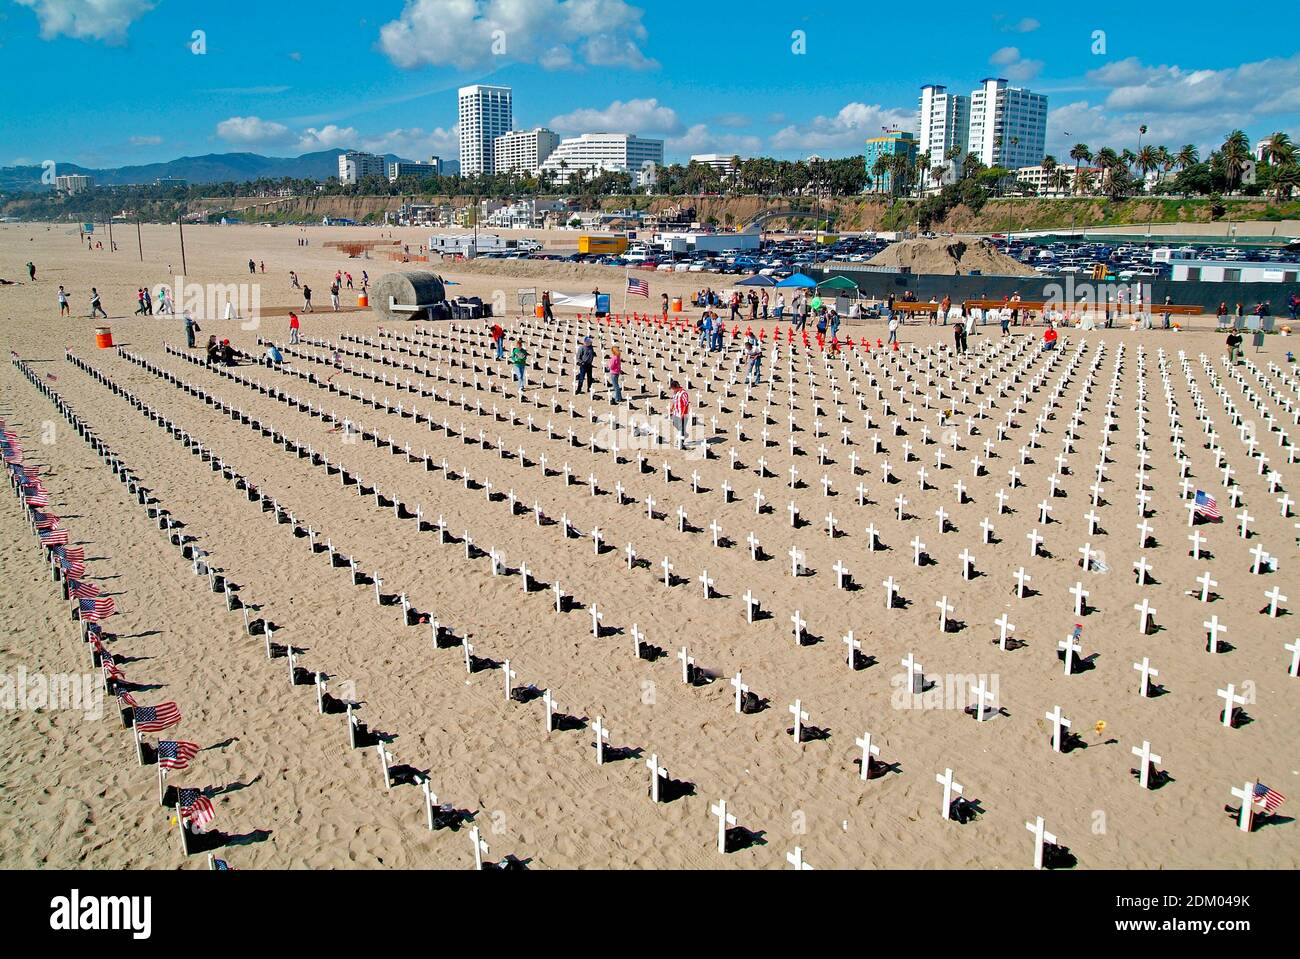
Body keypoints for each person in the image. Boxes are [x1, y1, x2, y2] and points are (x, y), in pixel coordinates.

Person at [669, 379, 690, 449]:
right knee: (675, 424)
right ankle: (684, 434)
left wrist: (682, 414)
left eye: (673, 388)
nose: (672, 390)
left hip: (682, 413)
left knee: (682, 429)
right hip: (676, 412)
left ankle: (681, 443)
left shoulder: (683, 393)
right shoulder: (675, 393)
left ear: (676, 387)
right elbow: (674, 401)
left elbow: (685, 404)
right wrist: (672, 408)